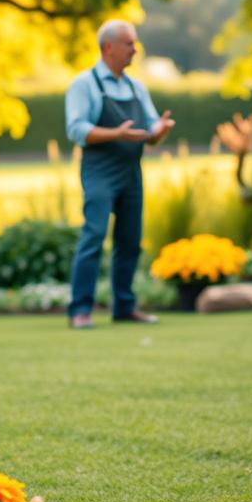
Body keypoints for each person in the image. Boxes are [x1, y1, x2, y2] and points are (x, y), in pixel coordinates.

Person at [64, 19, 175, 329]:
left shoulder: (135, 87)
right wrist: (116, 134)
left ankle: (124, 307)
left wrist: (160, 131)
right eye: (129, 44)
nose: (135, 50)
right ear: (108, 47)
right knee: (94, 235)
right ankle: (80, 310)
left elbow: (150, 132)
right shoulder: (85, 84)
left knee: (130, 240)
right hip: (99, 171)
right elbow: (76, 129)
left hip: (131, 173)